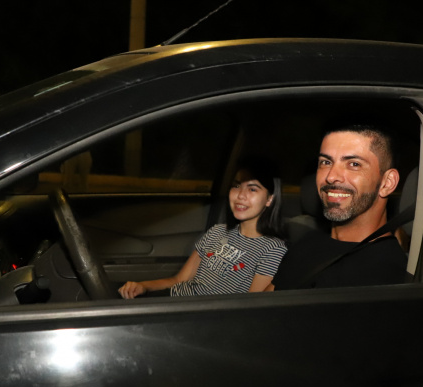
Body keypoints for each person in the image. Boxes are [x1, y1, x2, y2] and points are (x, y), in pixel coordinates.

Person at [118, 157, 287, 298]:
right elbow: (178, 280)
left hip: (200, 317)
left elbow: (250, 308)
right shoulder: (217, 231)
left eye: (252, 189)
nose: (240, 196)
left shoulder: (272, 249)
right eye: (236, 186)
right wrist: (142, 286)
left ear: (269, 199)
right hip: (171, 300)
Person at [268, 121, 408, 290]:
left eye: (354, 164)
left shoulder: (388, 275)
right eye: (326, 162)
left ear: (387, 183)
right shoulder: (306, 242)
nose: (331, 176)